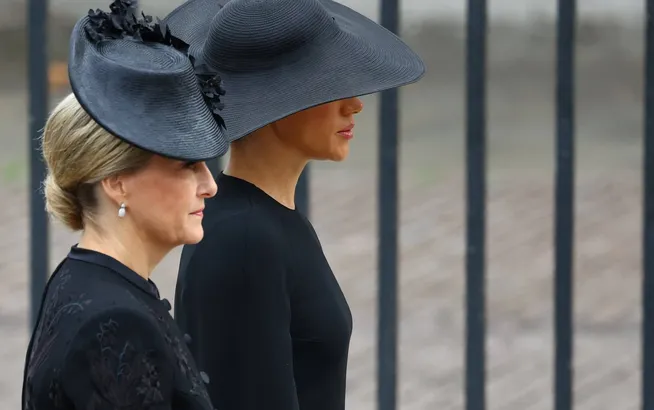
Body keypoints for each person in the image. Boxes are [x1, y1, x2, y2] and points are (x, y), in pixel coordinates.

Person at [163, 0, 425, 409]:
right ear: (274, 102)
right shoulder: (246, 238)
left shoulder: (264, 219)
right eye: (328, 84)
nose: (354, 104)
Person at [21, 1, 229, 409]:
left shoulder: (85, 279)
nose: (209, 185)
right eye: (187, 165)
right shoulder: (114, 324)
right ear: (117, 182)